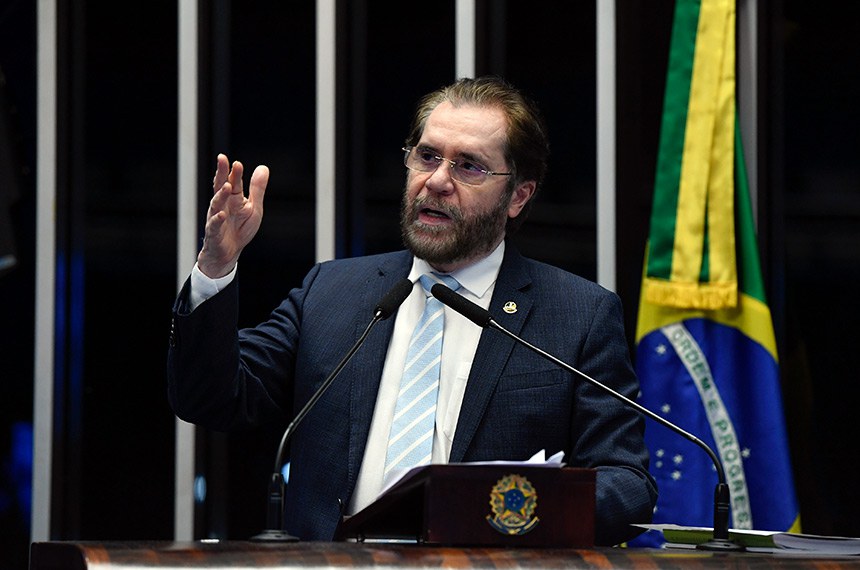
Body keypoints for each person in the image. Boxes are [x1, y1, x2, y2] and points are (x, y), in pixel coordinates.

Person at [167, 76, 657, 546]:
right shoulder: (334, 292)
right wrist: (217, 266)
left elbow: (628, 486)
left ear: (518, 195)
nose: (437, 181)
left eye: (469, 166)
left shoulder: (577, 316)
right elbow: (209, 397)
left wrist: (515, 510)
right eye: (427, 156)